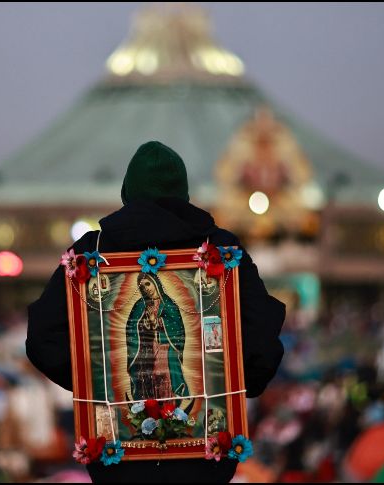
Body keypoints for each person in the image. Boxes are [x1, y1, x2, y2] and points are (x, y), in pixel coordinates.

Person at [27, 141, 286, 483]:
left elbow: (43, 338)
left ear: (127, 192)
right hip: (203, 461)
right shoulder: (221, 249)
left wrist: (96, 382)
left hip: (120, 459)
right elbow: (262, 336)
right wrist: (237, 386)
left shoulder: (94, 252)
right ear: (183, 193)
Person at [127, 272, 189, 401]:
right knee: (149, 379)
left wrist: (157, 321)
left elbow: (177, 328)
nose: (146, 289)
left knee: (163, 377)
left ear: (155, 283)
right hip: (146, 351)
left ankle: (168, 410)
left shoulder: (168, 304)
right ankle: (150, 410)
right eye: (142, 287)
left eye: (148, 284)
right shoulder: (140, 305)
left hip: (165, 351)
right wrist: (147, 323)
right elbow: (132, 329)